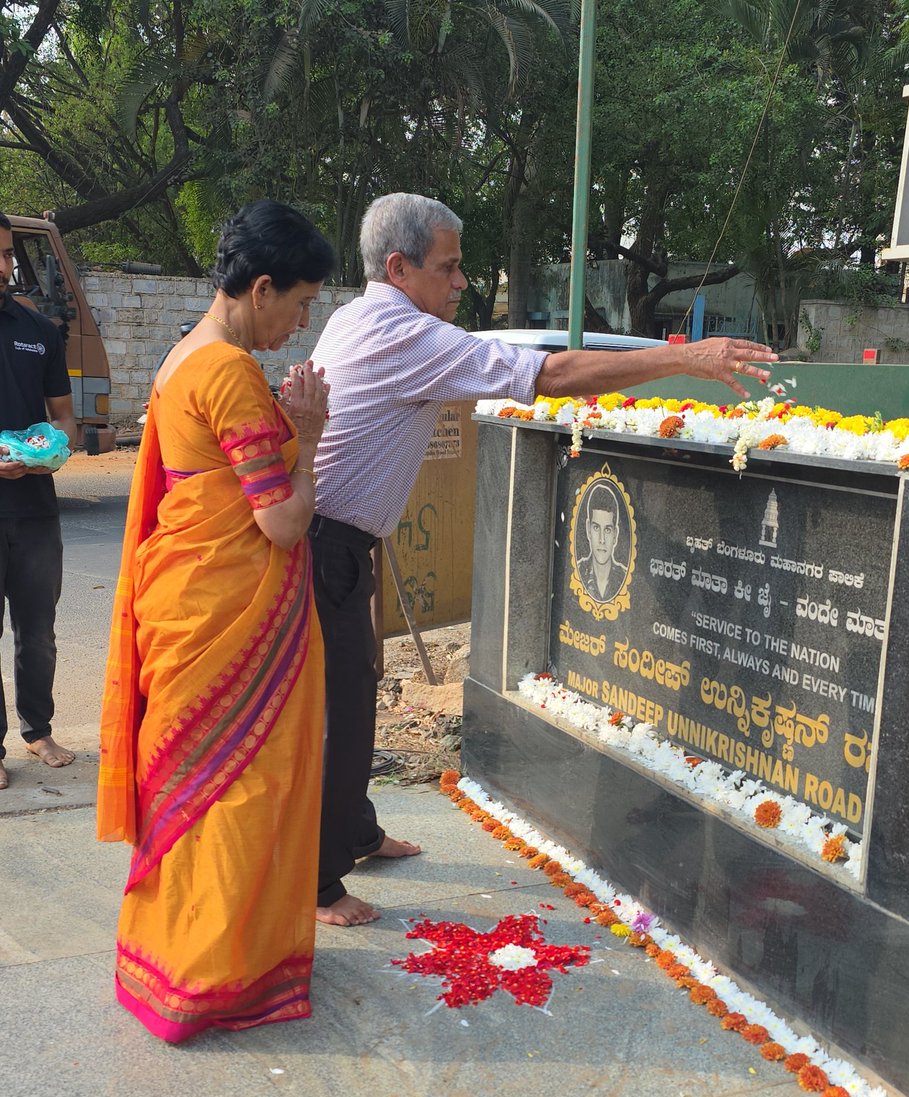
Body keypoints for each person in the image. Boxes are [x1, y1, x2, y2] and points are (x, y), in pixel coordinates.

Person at [309, 192, 778, 927]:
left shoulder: (360, 314)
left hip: (343, 542)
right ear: (399, 268)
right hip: (323, 546)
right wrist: (681, 357)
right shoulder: (401, 333)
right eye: (450, 268)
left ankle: (355, 832)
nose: (462, 284)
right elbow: (549, 375)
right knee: (337, 708)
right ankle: (318, 883)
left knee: (358, 686)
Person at [96, 200, 334, 1042]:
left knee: (190, 790)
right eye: (299, 304)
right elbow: (281, 521)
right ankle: (219, 973)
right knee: (241, 791)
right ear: (260, 287)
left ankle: (172, 957)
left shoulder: (178, 359)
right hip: (229, 620)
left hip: (190, 608)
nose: (302, 324)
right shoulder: (228, 371)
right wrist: (310, 431)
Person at [0, 211, 78, 789]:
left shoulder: (39, 330)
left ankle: (38, 728)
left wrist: (48, 452)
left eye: (6, 253)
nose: (3, 266)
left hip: (33, 507)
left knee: (38, 627)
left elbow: (64, 420)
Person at [577, 483, 627, 601]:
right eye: (596, 528)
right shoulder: (577, 572)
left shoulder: (624, 578)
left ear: (615, 534)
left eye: (608, 530)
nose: (602, 539)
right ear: (588, 529)